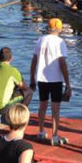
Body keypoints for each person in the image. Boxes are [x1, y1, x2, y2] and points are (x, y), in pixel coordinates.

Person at [29, 18, 72, 146]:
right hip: (56, 79)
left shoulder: (41, 40)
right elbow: (62, 63)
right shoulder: (60, 42)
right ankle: (54, 135)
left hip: (42, 78)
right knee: (55, 109)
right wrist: (68, 83)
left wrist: (32, 78)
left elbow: (34, 60)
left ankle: (41, 131)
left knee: (42, 106)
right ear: (59, 28)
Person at [0, 47, 33, 122]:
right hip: (1, 108)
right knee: (29, 92)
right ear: (11, 58)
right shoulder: (13, 70)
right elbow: (24, 87)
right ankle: (19, 116)